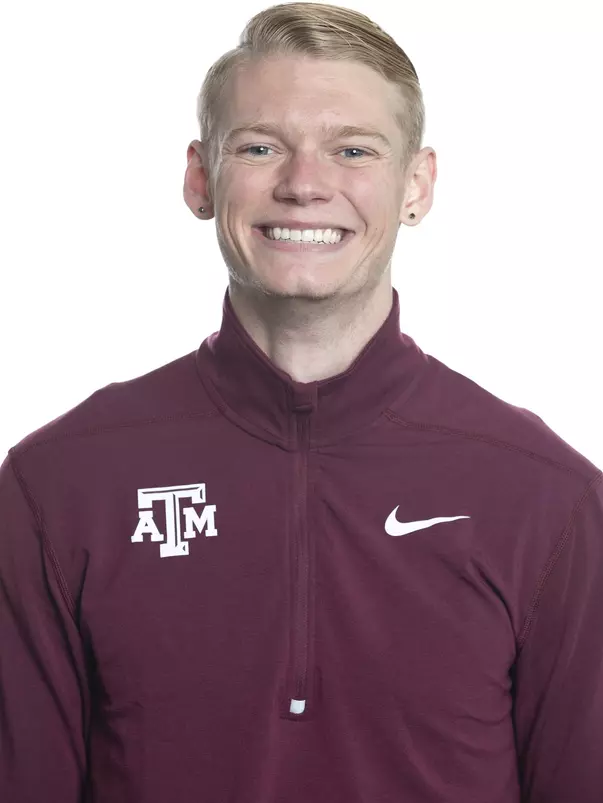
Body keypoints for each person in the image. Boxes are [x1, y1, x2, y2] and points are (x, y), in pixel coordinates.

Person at [1, 2, 601, 801]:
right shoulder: (58, 483)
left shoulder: (545, 496)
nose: (304, 184)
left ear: (416, 186)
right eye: (259, 147)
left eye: (352, 149)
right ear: (200, 178)